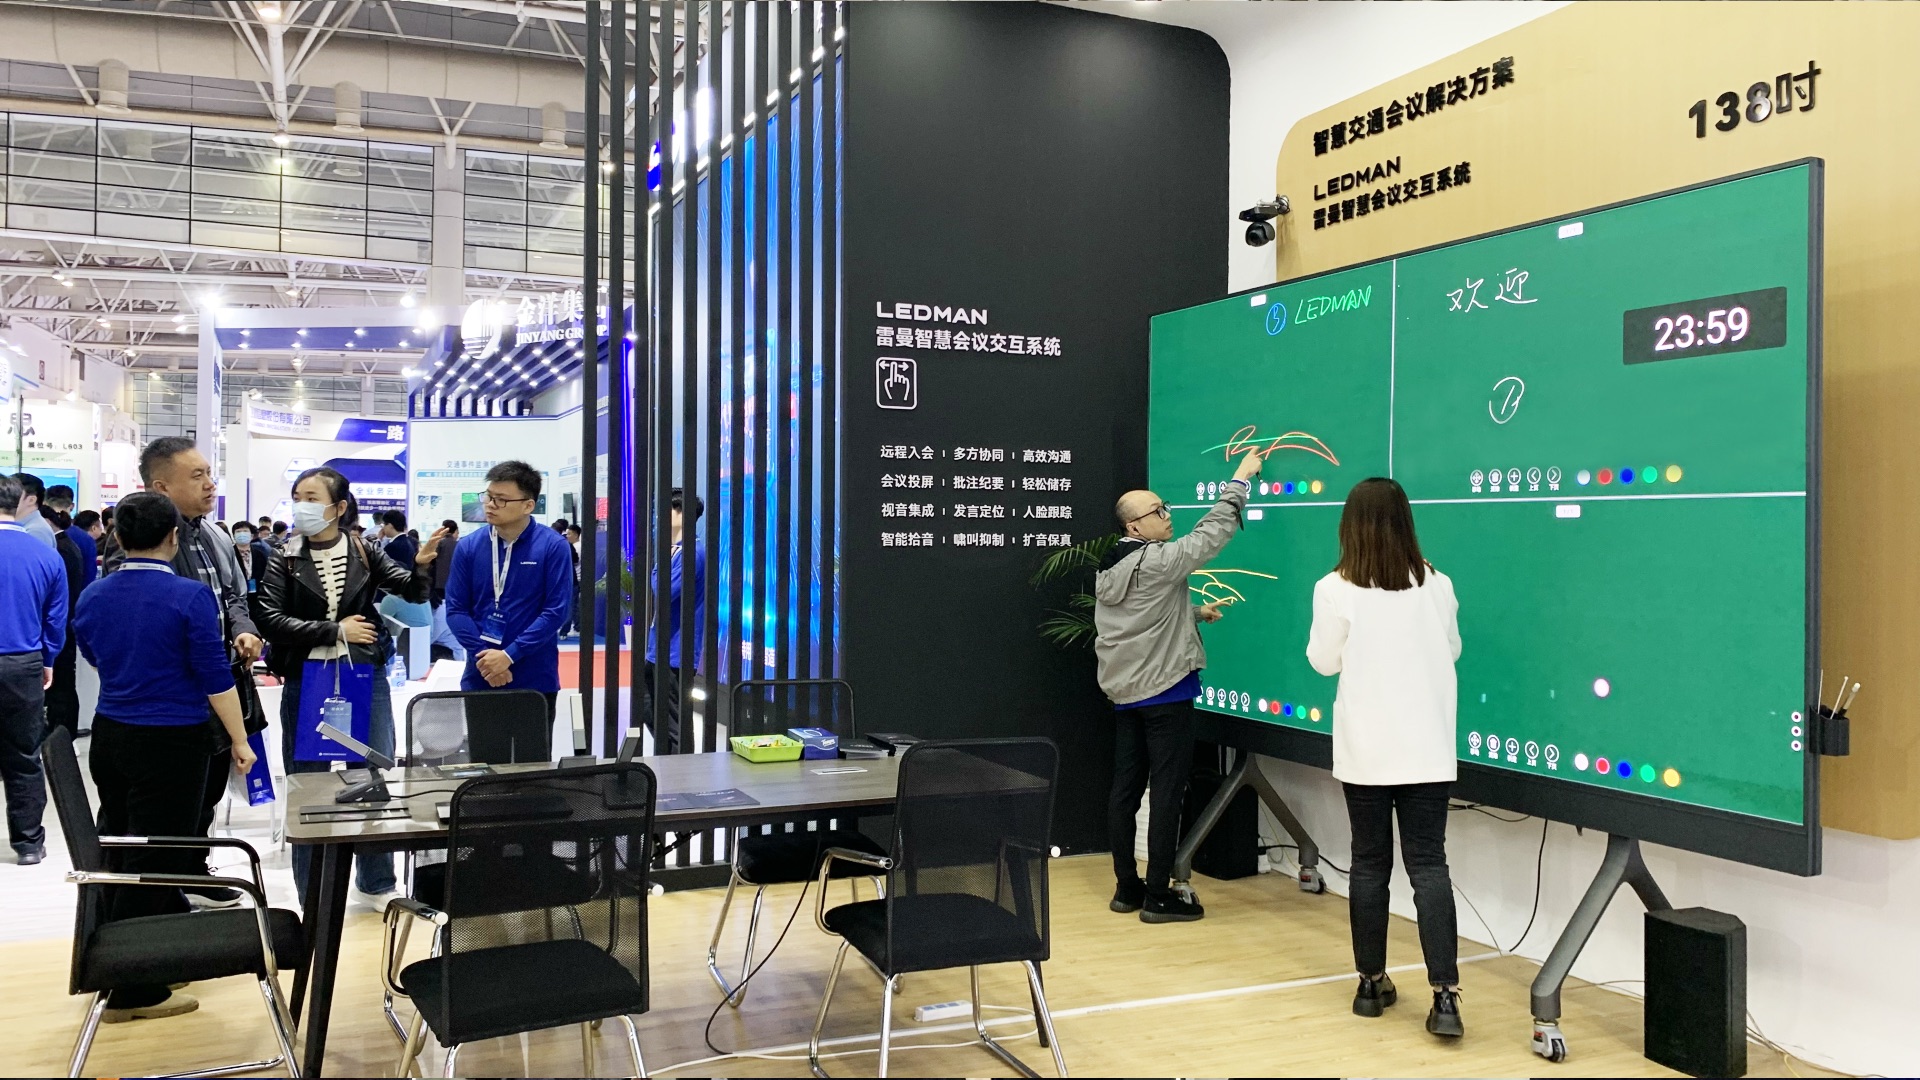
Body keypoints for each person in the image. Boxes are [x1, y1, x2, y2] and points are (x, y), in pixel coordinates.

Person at [73, 491, 256, 1023]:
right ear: (174, 537)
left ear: (116, 536)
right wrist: (240, 740)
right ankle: (135, 987)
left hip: (111, 733)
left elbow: (92, 654)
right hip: (172, 739)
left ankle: (127, 958)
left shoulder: (94, 595)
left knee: (121, 846)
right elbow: (214, 677)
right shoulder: (189, 596)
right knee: (157, 859)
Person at [1306, 477, 1464, 1038]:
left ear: (1349, 526)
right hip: (1428, 751)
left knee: (1369, 865)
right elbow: (1452, 649)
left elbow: (1322, 661)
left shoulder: (1334, 588)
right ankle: (1445, 999)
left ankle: (1370, 986)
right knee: (1429, 866)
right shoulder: (1437, 584)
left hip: (1366, 752)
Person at [255, 468, 444, 908]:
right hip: (307, 677)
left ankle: (376, 881)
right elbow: (269, 620)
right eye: (297, 496)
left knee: (372, 772)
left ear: (339, 507)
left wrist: (420, 566)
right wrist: (334, 630)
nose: (302, 505)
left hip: (363, 674)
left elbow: (412, 593)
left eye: (312, 497)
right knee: (308, 781)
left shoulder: (364, 549)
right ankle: (313, 890)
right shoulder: (284, 557)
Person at [1093, 447, 1263, 924]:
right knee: (1167, 792)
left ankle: (1126, 888)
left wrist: (1193, 613)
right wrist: (1240, 480)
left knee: (1126, 791)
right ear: (1134, 527)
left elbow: (1138, 618)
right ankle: (1157, 896)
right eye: (1157, 511)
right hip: (1167, 693)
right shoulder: (1158, 560)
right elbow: (1209, 536)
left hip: (1126, 695)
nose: (1167, 515)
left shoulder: (1112, 567)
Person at [105, 437, 263, 909]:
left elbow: (234, 596)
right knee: (159, 808)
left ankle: (191, 869)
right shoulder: (137, 546)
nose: (210, 483)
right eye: (197, 476)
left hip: (219, 685)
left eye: (209, 473)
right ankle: (156, 897)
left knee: (206, 789)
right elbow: (130, 619)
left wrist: (243, 628)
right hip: (172, 698)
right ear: (161, 487)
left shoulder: (214, 535)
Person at [444, 462, 572, 715]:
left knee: (533, 743)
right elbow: (456, 610)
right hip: (481, 675)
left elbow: (555, 611)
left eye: (501, 499)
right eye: (488, 496)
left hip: (535, 678)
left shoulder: (553, 546)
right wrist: (485, 658)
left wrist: (509, 656)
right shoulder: (469, 546)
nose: (490, 505)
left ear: (528, 505)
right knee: (483, 743)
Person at [0, 475, 66, 865]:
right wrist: (48, 659)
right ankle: (28, 843)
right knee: (24, 754)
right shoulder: (46, 554)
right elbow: (55, 617)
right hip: (23, 662)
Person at [641, 491, 705, 754]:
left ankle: (680, 769)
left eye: (665, 510)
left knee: (673, 721)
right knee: (650, 708)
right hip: (660, 648)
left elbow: (664, 589)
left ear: (682, 513)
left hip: (676, 651)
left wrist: (660, 565)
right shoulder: (678, 551)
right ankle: (667, 761)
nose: (659, 518)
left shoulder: (691, 553)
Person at [42, 507, 85, 743]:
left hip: (62, 626)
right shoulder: (67, 545)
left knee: (61, 685)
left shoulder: (62, 549)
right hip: (66, 624)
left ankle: (62, 733)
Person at [428, 519, 464, 662]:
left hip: (437, 586)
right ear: (455, 531)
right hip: (454, 587)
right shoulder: (459, 545)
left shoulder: (438, 544)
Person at [10, 472, 57, 548]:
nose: (6, 498)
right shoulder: (24, 526)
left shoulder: (36, 531)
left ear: (31, 500)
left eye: (13, 494)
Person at [68, 509, 101, 590]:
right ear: (94, 528)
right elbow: (89, 573)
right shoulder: (88, 541)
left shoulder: (67, 533)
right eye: (100, 526)